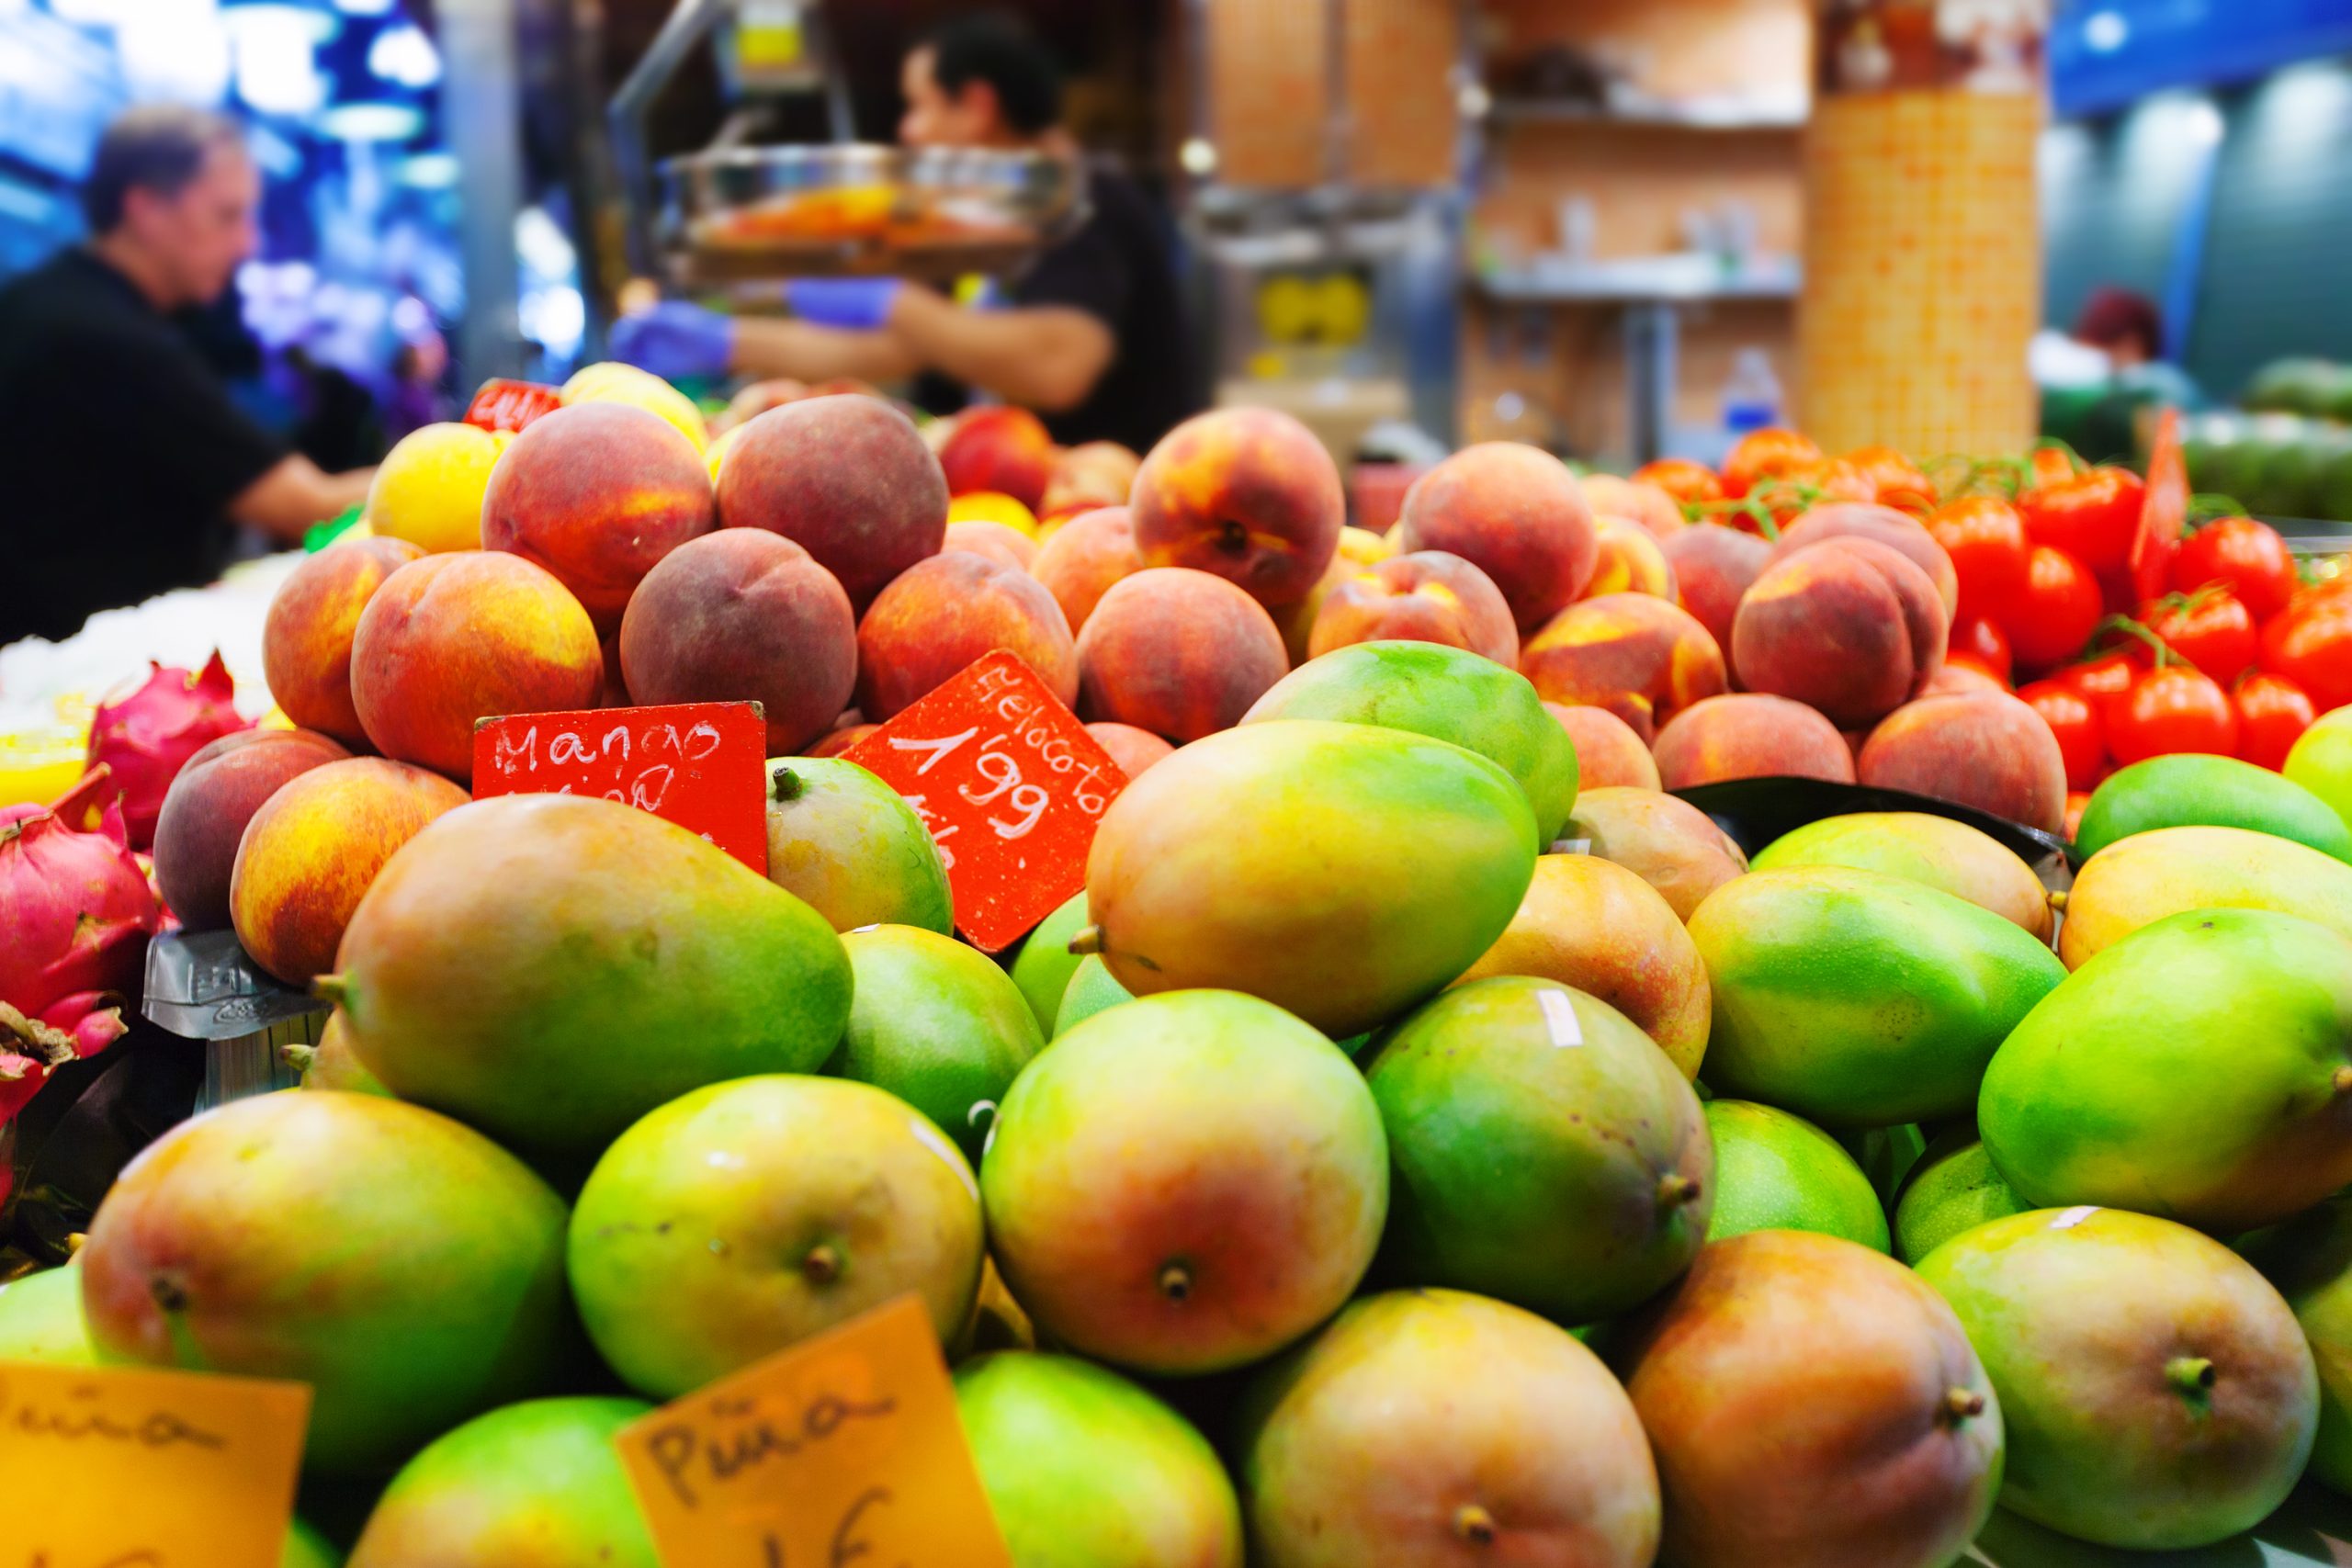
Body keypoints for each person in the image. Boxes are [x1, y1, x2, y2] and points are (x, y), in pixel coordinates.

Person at [615, 14, 1196, 453]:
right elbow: (915, 349)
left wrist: (889, 300)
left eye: (919, 107)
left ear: (976, 105)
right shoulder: (994, 224)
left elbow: (1056, 369)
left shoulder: (1084, 200)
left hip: (1110, 503)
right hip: (1012, 488)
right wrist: (726, 342)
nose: (908, 132)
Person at [0, 107, 375, 646]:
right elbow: (308, 506)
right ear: (146, 209)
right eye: (227, 215)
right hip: (71, 685)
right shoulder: (107, 340)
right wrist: (488, 462)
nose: (248, 244)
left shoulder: (43, 304)